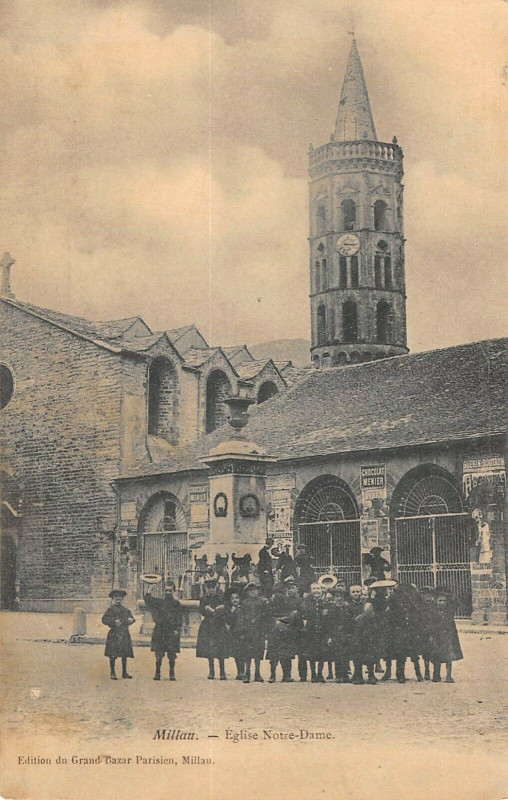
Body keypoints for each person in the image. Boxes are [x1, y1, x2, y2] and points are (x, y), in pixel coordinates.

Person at [384, 583, 423, 683]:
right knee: (400, 653)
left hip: (410, 629)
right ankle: (400, 673)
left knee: (414, 653)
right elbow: (390, 615)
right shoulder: (393, 600)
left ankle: (418, 672)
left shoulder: (412, 601)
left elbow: (417, 613)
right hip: (399, 630)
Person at [144, 581, 183, 681]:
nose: (168, 593)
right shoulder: (159, 602)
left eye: (170, 591)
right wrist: (150, 589)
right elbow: (148, 600)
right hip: (160, 630)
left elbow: (179, 618)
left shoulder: (176, 603)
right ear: (163, 591)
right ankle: (157, 673)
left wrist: (177, 630)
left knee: (172, 654)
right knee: (158, 653)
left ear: (174, 591)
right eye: (166, 590)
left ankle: (172, 673)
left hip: (171, 631)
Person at [237, 582, 270, 683]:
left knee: (258, 652)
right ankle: (247, 673)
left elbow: (266, 618)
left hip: (259, 631)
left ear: (258, 591)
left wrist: (265, 631)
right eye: (250, 590)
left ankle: (257, 673)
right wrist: (241, 631)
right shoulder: (244, 603)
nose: (252, 592)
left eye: (255, 589)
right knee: (247, 653)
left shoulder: (263, 602)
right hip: (248, 632)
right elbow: (240, 618)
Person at [196, 578, 228, 680]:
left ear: (216, 587)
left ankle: (222, 672)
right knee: (210, 648)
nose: (211, 590)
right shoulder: (204, 599)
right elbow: (201, 610)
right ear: (206, 588)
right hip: (208, 624)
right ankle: (211, 671)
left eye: (213, 588)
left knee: (220, 647)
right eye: (209, 588)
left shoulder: (221, 597)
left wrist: (220, 608)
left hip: (219, 624)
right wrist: (206, 609)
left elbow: (226, 608)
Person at [429, 588, 463, 683]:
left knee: (449, 657)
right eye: (440, 600)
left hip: (448, 636)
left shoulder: (450, 611)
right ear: (436, 601)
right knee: (436, 656)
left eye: (444, 601)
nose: (442, 603)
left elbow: (457, 603)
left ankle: (448, 676)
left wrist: (448, 594)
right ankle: (436, 675)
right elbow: (430, 625)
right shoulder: (432, 611)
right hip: (436, 636)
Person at [102, 589, 135, 680]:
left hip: (124, 633)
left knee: (125, 653)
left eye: (120, 597)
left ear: (122, 598)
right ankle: (112, 672)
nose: (118, 598)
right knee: (113, 653)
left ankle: (124, 672)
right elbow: (104, 620)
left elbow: (132, 618)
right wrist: (113, 622)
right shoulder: (110, 609)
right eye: (116, 596)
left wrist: (131, 620)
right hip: (114, 633)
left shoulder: (125, 610)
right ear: (113, 598)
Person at [266, 584, 295, 683]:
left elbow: (291, 616)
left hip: (286, 630)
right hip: (274, 631)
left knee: (286, 655)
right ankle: (272, 674)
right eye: (275, 594)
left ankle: (287, 675)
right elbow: (267, 616)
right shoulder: (270, 604)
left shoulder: (288, 602)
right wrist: (275, 622)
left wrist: (283, 621)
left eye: (280, 593)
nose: (277, 596)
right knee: (274, 655)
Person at [324, 587, 354, 683]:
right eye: (337, 597)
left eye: (341, 597)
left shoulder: (348, 609)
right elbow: (327, 625)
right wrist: (329, 637)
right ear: (334, 598)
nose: (339, 599)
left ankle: (345, 675)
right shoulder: (331, 609)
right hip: (335, 634)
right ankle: (338, 674)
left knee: (346, 655)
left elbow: (351, 622)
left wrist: (350, 633)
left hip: (346, 634)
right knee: (336, 655)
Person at [300, 582, 327, 683]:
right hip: (311, 632)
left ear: (321, 591)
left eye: (318, 589)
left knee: (321, 653)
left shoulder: (324, 603)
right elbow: (304, 616)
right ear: (310, 591)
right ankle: (313, 673)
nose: (316, 591)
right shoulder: (307, 603)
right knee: (311, 654)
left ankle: (320, 674)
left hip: (322, 631)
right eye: (314, 589)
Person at [224, 589, 244, 680]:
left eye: (236, 598)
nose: (235, 600)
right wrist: (231, 612)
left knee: (243, 653)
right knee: (236, 653)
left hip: (242, 633)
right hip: (234, 633)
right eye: (232, 598)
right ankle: (239, 672)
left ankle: (242, 671)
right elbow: (228, 620)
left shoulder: (243, 608)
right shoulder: (230, 609)